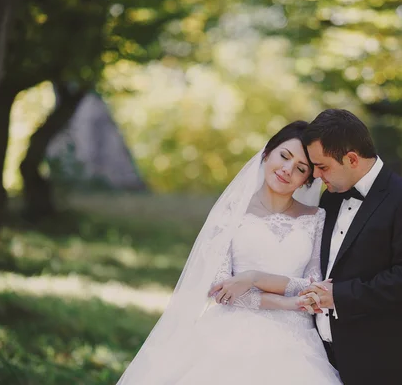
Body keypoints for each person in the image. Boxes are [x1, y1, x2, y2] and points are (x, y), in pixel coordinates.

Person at [116, 121, 342, 384]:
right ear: (267, 153)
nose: (287, 170)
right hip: (231, 331)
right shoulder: (231, 212)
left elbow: (314, 284)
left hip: (297, 340)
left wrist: (253, 277)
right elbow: (221, 288)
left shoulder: (316, 217)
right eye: (284, 156)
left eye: (300, 168)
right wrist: (286, 302)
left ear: (307, 179)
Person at [298, 109, 402, 385]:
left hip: (382, 361)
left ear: (352, 158)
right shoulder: (330, 198)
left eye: (322, 166)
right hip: (322, 359)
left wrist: (338, 295)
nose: (315, 174)